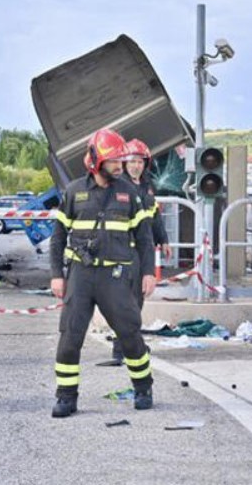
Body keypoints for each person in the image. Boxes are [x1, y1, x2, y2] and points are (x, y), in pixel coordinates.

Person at [49, 128, 157, 417]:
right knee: (70, 338)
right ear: (96, 161)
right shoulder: (73, 192)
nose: (120, 166)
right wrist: (56, 275)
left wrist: (149, 272)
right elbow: (58, 237)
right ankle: (66, 397)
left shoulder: (129, 192)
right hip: (80, 277)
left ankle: (143, 386)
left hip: (116, 277)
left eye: (121, 161)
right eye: (114, 161)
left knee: (130, 334)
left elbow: (145, 237)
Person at [102, 138, 171, 366]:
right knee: (122, 301)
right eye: (131, 162)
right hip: (121, 252)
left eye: (140, 162)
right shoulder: (115, 185)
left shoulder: (147, 187)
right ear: (124, 163)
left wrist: (164, 239)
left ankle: (129, 344)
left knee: (136, 301)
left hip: (142, 252)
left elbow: (155, 217)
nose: (136, 166)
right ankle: (120, 348)